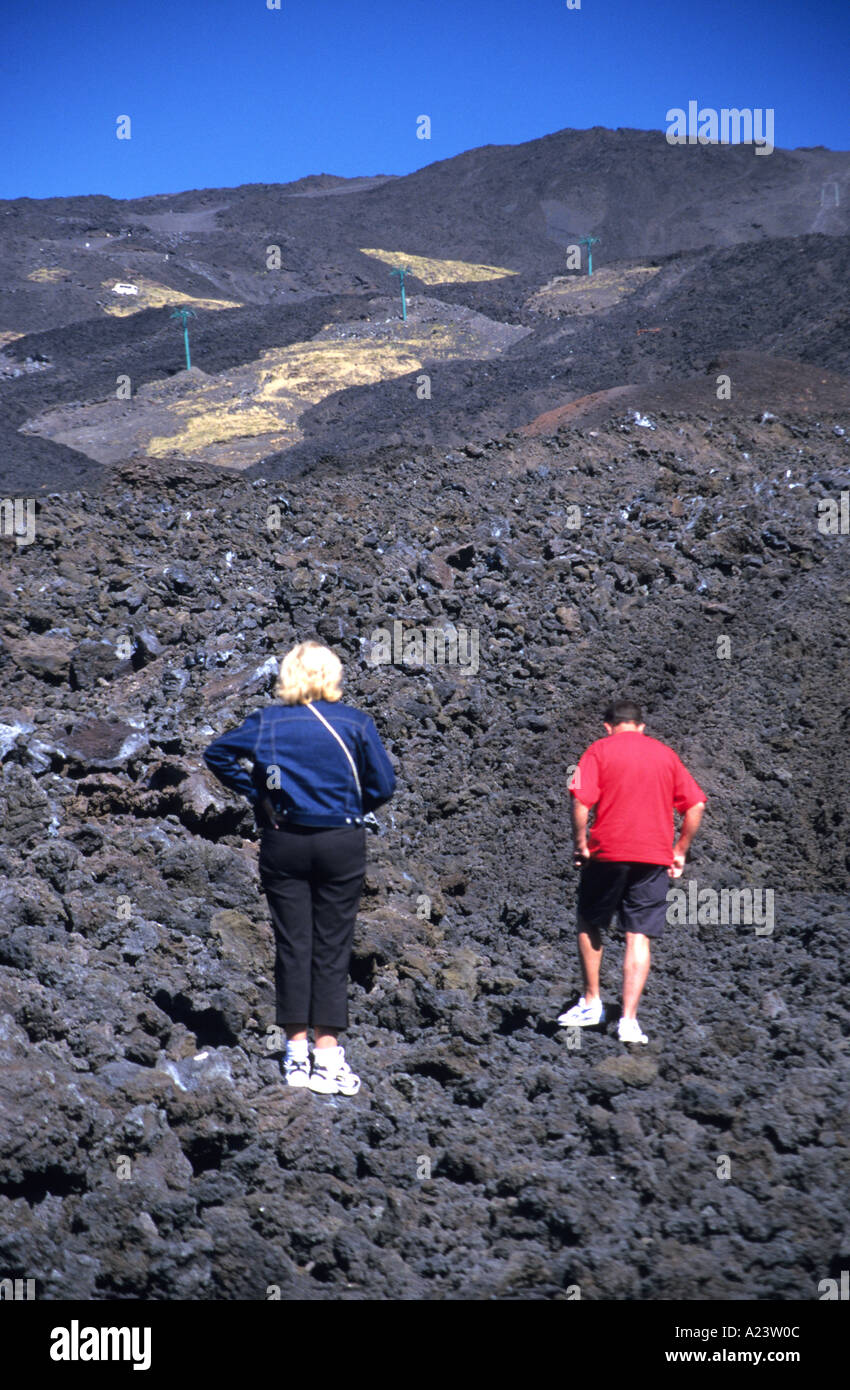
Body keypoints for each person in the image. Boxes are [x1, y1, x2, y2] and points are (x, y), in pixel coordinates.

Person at [203, 641, 396, 1094]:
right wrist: (349, 807)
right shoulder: (355, 723)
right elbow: (384, 784)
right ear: (332, 676)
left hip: (284, 840)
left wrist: (259, 795)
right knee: (331, 948)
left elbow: (217, 754)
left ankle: (295, 1057)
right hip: (340, 842)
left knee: (293, 946)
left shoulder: (268, 721)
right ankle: (328, 1058)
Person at [558, 698, 706, 1044]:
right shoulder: (665, 755)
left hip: (607, 852)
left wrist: (580, 843)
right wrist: (680, 850)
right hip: (654, 857)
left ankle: (592, 1002)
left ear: (608, 726)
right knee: (638, 935)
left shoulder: (598, 750)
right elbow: (696, 804)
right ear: (641, 726)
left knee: (590, 920)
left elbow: (581, 800)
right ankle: (629, 1021)